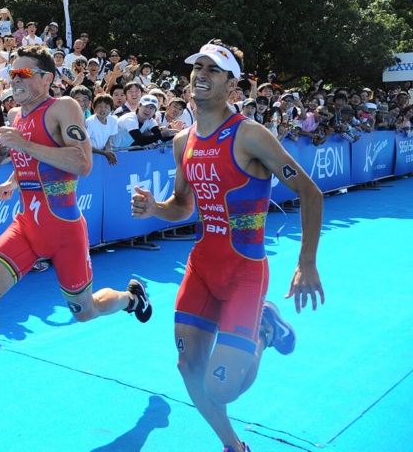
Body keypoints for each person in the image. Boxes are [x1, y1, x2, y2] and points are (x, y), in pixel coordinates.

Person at [130, 40, 325, 452]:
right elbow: (183, 206)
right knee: (188, 367)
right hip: (201, 266)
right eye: (197, 67)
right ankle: (234, 447)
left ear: (231, 84)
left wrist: (306, 263)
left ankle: (265, 329)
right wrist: (154, 209)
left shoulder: (251, 135)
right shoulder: (182, 141)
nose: (201, 74)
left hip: (244, 272)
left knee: (222, 390)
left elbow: (310, 193)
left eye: (213, 69)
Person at [0, 45, 152, 422]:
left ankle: (131, 298)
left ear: (46, 78)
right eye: (12, 74)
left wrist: (22, 145)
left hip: (64, 227)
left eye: (23, 74)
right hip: (26, 223)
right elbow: (29, 160)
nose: (14, 80)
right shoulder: (15, 114)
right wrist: (11, 181)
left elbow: (82, 163)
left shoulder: (63, 107)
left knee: (84, 312)